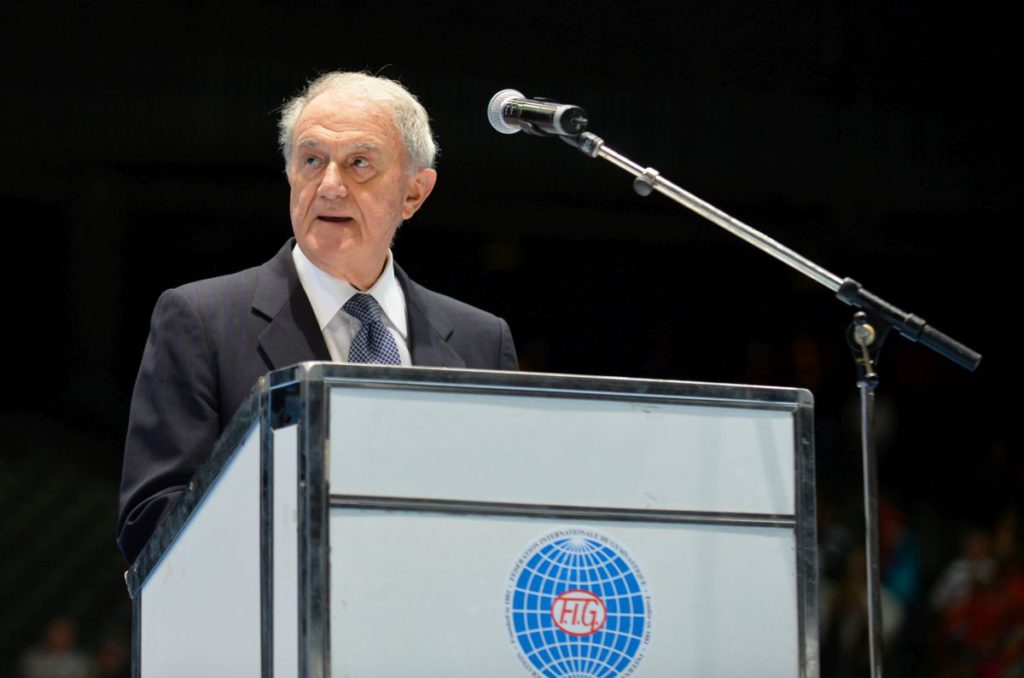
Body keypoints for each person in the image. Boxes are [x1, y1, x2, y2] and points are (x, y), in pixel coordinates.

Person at [116, 71, 518, 564]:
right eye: (311, 160)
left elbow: (508, 516)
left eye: (359, 164)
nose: (329, 186)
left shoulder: (482, 340)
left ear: (414, 192)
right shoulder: (201, 321)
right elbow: (151, 524)